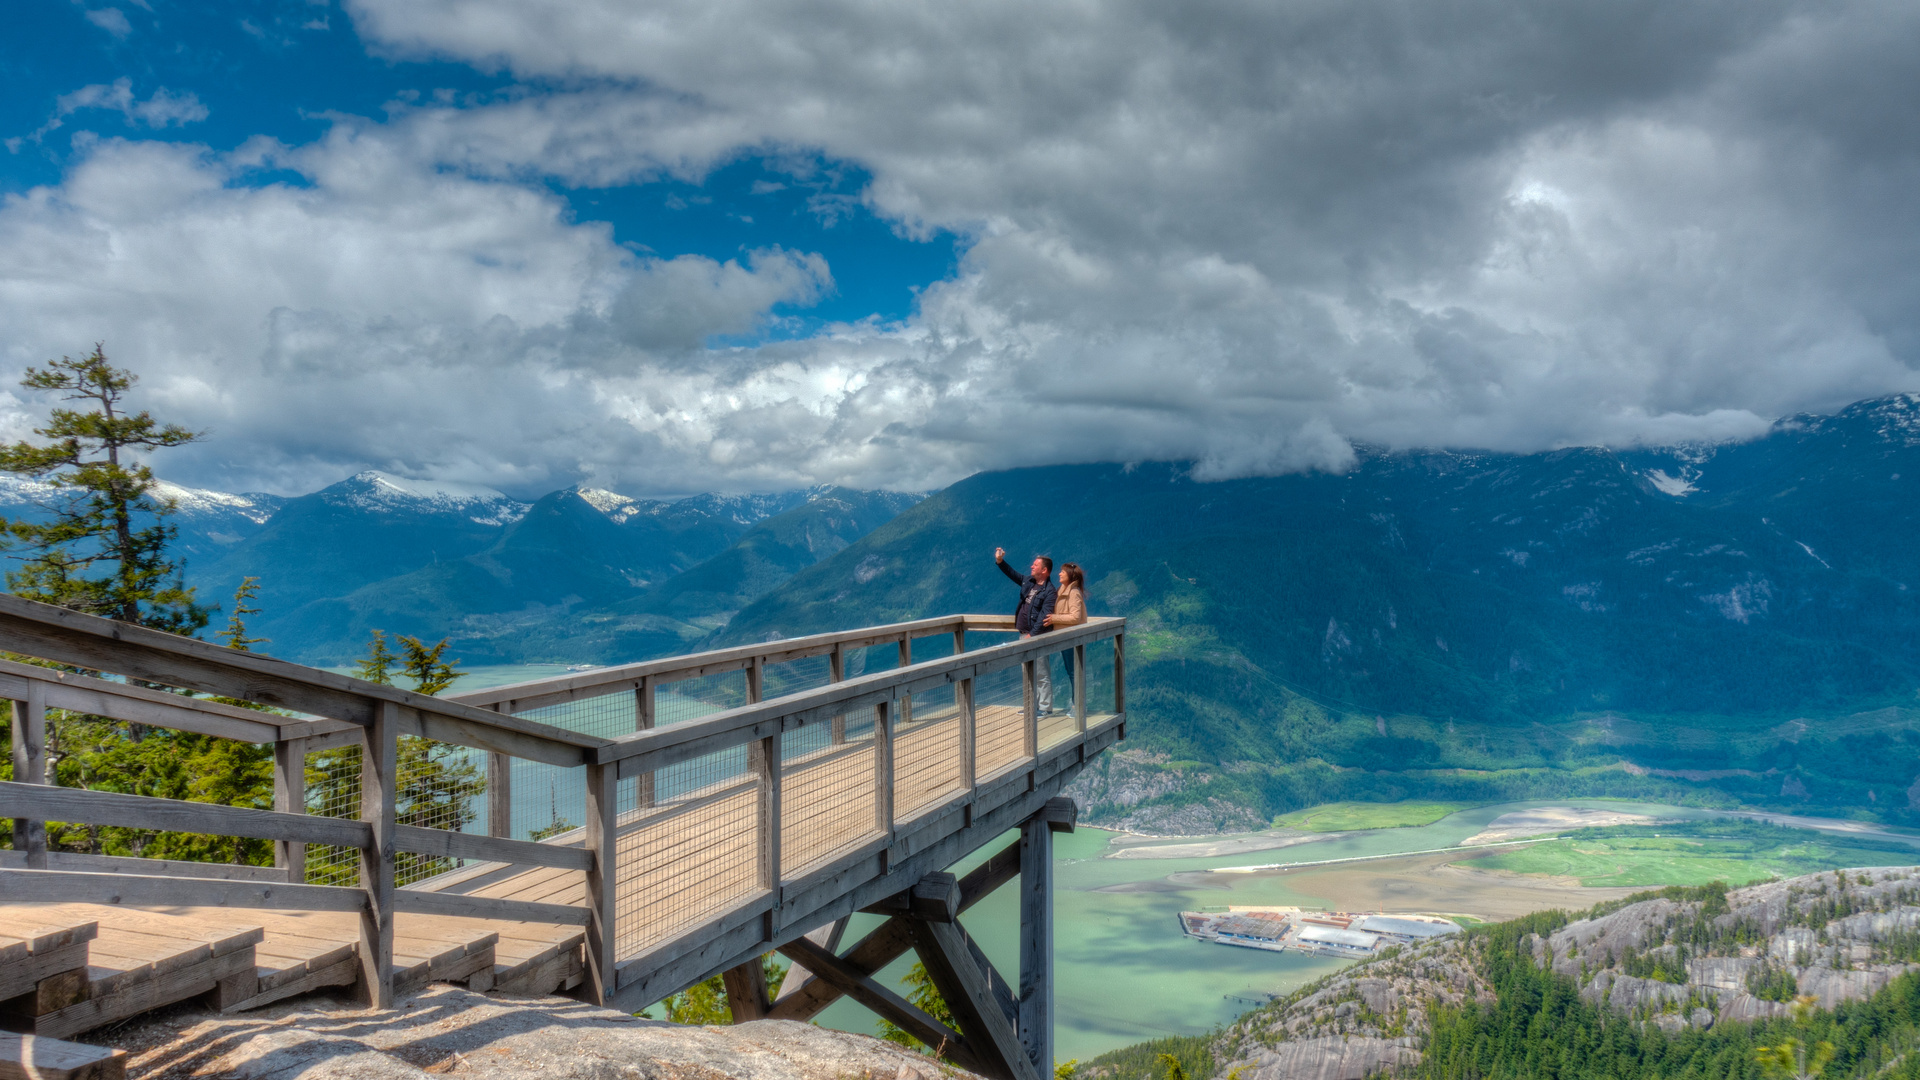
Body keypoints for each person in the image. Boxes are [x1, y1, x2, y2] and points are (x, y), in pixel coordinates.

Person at [994, 546, 1057, 713]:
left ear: (1044, 570)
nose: (1031, 566)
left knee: (1041, 673)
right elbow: (1012, 574)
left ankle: (1045, 708)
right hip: (1024, 635)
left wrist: (1032, 635)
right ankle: (1031, 706)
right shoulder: (1028, 582)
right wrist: (1000, 561)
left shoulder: (1049, 592)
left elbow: (1045, 615)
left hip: (1038, 636)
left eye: (1035, 565)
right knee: (1027, 672)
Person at [1044, 562, 1086, 712]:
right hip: (1065, 636)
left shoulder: (1073, 593)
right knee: (1072, 671)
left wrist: (1054, 618)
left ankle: (1078, 706)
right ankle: (1077, 704)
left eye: (1062, 572)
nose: (1059, 574)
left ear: (1070, 575)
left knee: (1074, 672)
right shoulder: (1063, 590)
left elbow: (1075, 617)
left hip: (1071, 637)